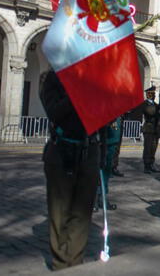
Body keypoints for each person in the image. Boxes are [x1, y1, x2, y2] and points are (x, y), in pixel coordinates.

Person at [40, 70, 100, 270]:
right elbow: (54, 111)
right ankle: (60, 262)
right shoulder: (53, 77)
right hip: (62, 150)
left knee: (82, 211)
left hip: (89, 150)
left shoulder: (95, 78)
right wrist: (76, 93)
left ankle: (75, 261)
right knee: (60, 210)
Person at [95, 117, 122, 211]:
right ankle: (94, 198)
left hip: (113, 138)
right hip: (102, 138)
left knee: (106, 170)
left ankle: (102, 197)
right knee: (97, 170)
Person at [141, 86, 160, 174]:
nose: (153, 95)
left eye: (153, 93)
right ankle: (146, 165)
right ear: (147, 94)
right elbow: (150, 112)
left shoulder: (156, 105)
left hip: (156, 129)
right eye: (151, 93)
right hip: (149, 128)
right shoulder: (145, 104)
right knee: (148, 148)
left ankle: (152, 164)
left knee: (153, 148)